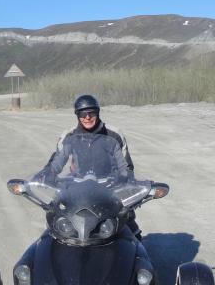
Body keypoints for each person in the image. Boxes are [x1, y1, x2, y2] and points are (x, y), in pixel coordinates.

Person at [35, 94, 142, 238]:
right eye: (82, 114)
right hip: (78, 185)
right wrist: (45, 175)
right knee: (54, 223)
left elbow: (126, 166)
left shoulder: (114, 134)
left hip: (110, 186)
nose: (87, 117)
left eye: (91, 113)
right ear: (77, 115)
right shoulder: (69, 136)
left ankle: (136, 250)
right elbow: (57, 160)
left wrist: (127, 181)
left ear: (97, 112)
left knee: (128, 223)